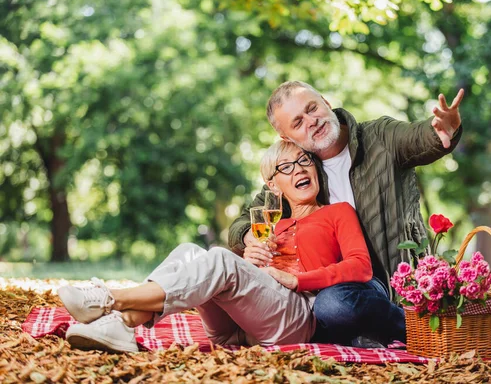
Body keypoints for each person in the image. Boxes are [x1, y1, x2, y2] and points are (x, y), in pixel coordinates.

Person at [57, 141, 407, 352]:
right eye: (287, 166)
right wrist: (250, 256)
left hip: (299, 318)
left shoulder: (337, 213)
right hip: (238, 328)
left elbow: (361, 267)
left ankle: (107, 300)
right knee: (186, 251)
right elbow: (246, 277)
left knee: (220, 259)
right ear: (273, 184)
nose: (300, 168)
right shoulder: (273, 225)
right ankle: (122, 325)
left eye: (304, 161)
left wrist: (298, 280)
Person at [229, 81, 463, 345]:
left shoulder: (380, 137)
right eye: (298, 122)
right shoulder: (299, 169)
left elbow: (418, 137)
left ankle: (413, 329)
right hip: (333, 283)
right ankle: (364, 333)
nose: (312, 121)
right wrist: (251, 240)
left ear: (326, 103)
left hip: (390, 278)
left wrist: (445, 130)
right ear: (287, 138)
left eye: (312, 108)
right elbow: (248, 219)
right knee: (329, 305)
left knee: (334, 306)